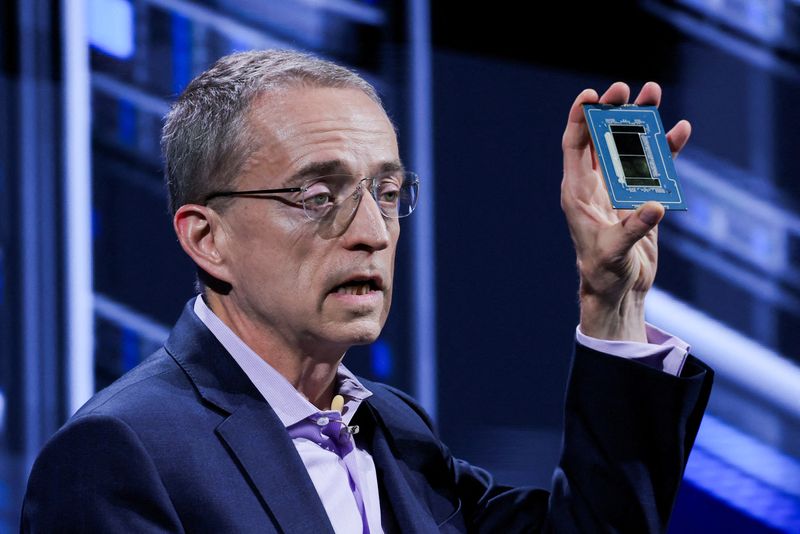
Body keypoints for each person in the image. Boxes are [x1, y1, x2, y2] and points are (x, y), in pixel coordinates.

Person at [21, 50, 712, 533]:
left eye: (386, 193)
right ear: (207, 238)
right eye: (318, 195)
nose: (372, 233)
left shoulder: (394, 429)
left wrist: (611, 299)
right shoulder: (122, 453)